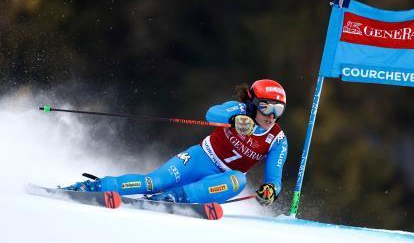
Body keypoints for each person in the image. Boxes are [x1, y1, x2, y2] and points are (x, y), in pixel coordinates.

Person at [64, 79, 288, 206]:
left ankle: (174, 199)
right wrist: (233, 119)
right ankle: (93, 187)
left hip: (222, 178)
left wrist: (270, 190)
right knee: (154, 181)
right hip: (200, 158)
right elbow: (211, 113)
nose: (271, 115)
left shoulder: (277, 139)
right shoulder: (237, 110)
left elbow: (274, 180)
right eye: (266, 106)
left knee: (238, 180)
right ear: (253, 102)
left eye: (278, 110)